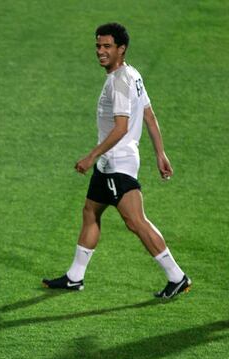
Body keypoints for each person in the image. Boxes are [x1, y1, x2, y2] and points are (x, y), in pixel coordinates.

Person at [42, 22, 191, 299]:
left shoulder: (120, 82)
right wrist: (160, 153)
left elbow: (121, 127)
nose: (100, 51)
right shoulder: (131, 74)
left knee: (135, 221)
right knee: (90, 212)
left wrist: (91, 155)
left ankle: (177, 276)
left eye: (107, 46)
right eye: (98, 45)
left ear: (121, 49)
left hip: (116, 163)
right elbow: (149, 114)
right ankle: (75, 276)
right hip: (110, 164)